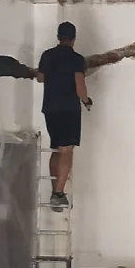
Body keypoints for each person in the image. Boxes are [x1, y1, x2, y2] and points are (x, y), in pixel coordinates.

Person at [36, 21, 92, 209]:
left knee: (56, 148)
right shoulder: (76, 59)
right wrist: (86, 101)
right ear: (74, 38)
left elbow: (40, 78)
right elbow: (79, 85)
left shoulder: (47, 55)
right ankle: (58, 193)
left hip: (50, 108)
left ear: (58, 37)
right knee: (67, 150)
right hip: (68, 109)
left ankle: (55, 190)